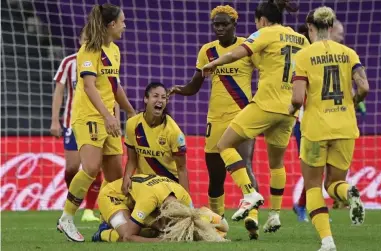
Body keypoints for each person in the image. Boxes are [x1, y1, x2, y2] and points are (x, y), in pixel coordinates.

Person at [201, 0, 309, 233]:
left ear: (261, 19)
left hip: (266, 103)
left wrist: (215, 62)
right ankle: (275, 215)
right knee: (277, 164)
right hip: (290, 110)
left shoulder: (264, 33)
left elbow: (236, 54)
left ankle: (249, 192)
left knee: (224, 145)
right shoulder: (302, 40)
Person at [169, 5, 260, 239]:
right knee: (216, 175)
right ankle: (219, 224)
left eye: (224, 24)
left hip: (242, 116)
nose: (219, 28)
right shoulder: (207, 51)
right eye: (216, 24)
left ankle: (253, 217)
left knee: (245, 164)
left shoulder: (247, 47)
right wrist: (180, 90)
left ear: (234, 25)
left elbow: (266, 72)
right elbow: (195, 84)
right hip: (215, 120)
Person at [290, 6, 369, 251]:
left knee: (313, 186)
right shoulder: (349, 53)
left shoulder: (303, 56)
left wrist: (291, 111)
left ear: (311, 28)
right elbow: (364, 87)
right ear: (331, 26)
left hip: (315, 129)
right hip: (345, 127)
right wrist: (353, 102)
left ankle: (327, 241)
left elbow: (297, 97)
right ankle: (350, 192)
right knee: (334, 184)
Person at [57, 3, 136, 242]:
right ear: (111, 25)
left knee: (115, 178)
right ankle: (67, 218)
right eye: (122, 21)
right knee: (91, 167)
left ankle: (107, 223)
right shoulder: (89, 50)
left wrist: (131, 112)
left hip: (109, 118)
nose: (125, 25)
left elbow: (115, 86)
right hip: (89, 116)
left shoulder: (115, 51)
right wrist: (108, 115)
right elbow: (90, 87)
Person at [50, 29, 108, 223]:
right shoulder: (69, 62)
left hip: (95, 121)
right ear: (79, 40)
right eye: (84, 38)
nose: (86, 41)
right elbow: (59, 91)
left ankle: (90, 209)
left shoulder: (102, 61)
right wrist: (55, 120)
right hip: (71, 122)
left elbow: (112, 89)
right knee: (72, 168)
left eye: (90, 38)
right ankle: (74, 200)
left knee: (93, 167)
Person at [92, 174, 228, 242]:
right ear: (162, 212)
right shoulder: (147, 201)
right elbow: (129, 237)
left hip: (142, 196)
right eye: (168, 220)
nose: (168, 224)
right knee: (127, 233)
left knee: (165, 230)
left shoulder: (184, 197)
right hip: (113, 196)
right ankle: (104, 233)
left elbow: (192, 219)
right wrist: (161, 241)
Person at [122, 82, 189, 193]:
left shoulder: (174, 131)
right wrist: (127, 178)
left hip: (169, 186)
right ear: (146, 99)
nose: (160, 100)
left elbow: (182, 169)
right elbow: (132, 160)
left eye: (163, 97)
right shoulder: (132, 124)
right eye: (155, 96)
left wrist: (186, 201)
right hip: (144, 184)